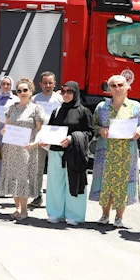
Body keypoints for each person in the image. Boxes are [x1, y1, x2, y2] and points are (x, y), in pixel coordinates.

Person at [89, 75, 140, 228]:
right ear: (109, 89)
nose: (117, 88)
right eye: (114, 86)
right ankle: (104, 214)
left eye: (121, 85)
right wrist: (100, 130)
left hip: (126, 152)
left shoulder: (135, 106)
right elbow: (93, 125)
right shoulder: (102, 107)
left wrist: (139, 131)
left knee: (123, 183)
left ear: (127, 87)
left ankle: (119, 217)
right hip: (105, 151)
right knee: (105, 181)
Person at [41, 81, 93, 226]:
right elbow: (50, 129)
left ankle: (74, 215)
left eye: (69, 91)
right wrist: (45, 140)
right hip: (56, 152)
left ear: (75, 93)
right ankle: (55, 213)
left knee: (74, 182)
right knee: (55, 183)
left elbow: (90, 132)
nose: (65, 94)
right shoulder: (57, 110)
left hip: (74, 153)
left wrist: (72, 138)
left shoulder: (83, 111)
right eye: (63, 91)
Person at [0, 77, 44, 220]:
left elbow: (39, 129)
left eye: (25, 90)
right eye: (19, 90)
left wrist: (35, 142)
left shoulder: (36, 108)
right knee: (13, 178)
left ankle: (24, 210)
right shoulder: (12, 108)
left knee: (23, 178)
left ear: (31, 91)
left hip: (26, 148)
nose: (22, 93)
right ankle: (17, 208)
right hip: (11, 148)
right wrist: (4, 131)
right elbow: (6, 126)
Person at [30, 71, 63, 208]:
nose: (48, 85)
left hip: (56, 138)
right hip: (40, 137)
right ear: (40, 84)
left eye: (50, 83)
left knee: (55, 169)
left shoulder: (60, 99)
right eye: (45, 83)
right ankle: (37, 196)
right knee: (37, 168)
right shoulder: (35, 99)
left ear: (55, 83)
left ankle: (55, 198)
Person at [0, 76, 18, 187]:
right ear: (0, 85)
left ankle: (10, 185)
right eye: (3, 84)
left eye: (8, 84)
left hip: (11, 131)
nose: (6, 86)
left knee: (11, 158)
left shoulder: (16, 100)